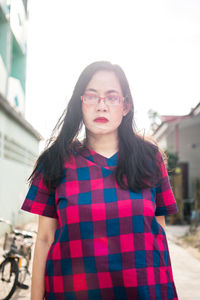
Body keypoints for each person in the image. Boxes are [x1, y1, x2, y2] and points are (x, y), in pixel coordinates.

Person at [21, 61, 179, 300]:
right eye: (92, 96)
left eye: (112, 97)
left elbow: (159, 232)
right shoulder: (55, 161)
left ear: (125, 106)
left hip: (143, 292)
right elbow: (44, 239)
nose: (101, 106)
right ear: (80, 103)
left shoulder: (150, 158)